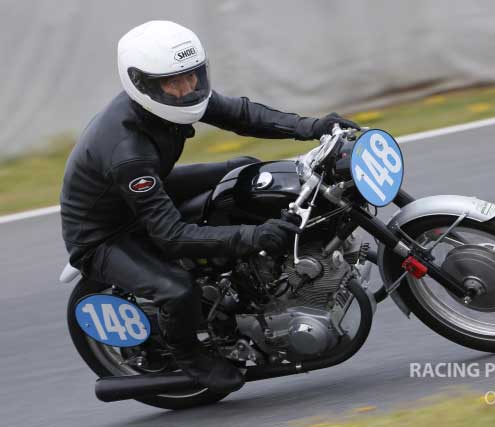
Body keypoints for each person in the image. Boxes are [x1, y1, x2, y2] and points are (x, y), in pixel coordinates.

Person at [60, 20, 359, 393]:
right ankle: (190, 357)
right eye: (174, 82)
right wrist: (255, 235)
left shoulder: (174, 99)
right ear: (142, 84)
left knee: (246, 170)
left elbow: (244, 115)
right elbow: (171, 237)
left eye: (193, 76)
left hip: (142, 194)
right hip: (104, 235)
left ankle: (263, 277)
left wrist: (314, 127)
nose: (188, 88)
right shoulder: (126, 151)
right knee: (178, 290)